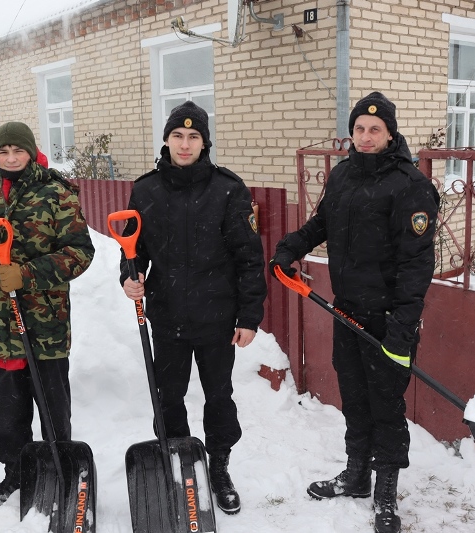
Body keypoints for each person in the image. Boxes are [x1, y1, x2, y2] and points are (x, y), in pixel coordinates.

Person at [269, 92, 439, 533]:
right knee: (355, 398)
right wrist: (289, 248)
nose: (365, 136)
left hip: (387, 320)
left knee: (386, 405)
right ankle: (357, 473)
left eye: (374, 130)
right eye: (359, 128)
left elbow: (417, 264)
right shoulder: (343, 174)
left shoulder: (410, 185)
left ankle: (386, 492)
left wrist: (402, 328)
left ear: (390, 134)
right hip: (347, 311)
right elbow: (321, 224)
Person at [118, 101, 267, 515]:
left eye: (193, 136)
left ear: (205, 143)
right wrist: (129, 277)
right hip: (166, 315)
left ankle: (218, 466)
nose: (185, 144)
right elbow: (133, 250)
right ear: (166, 140)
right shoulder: (146, 190)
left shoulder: (228, 190)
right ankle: (179, 459)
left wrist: (249, 317)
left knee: (219, 396)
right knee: (168, 396)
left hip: (216, 317)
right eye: (177, 136)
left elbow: (249, 258)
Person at [0, 121, 94, 508]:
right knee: (4, 414)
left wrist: (27, 274)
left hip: (45, 323)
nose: (11, 158)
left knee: (52, 407)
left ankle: (59, 467)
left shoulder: (56, 194)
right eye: (3, 152)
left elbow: (80, 252)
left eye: (18, 151)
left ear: (30, 151)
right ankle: (17, 470)